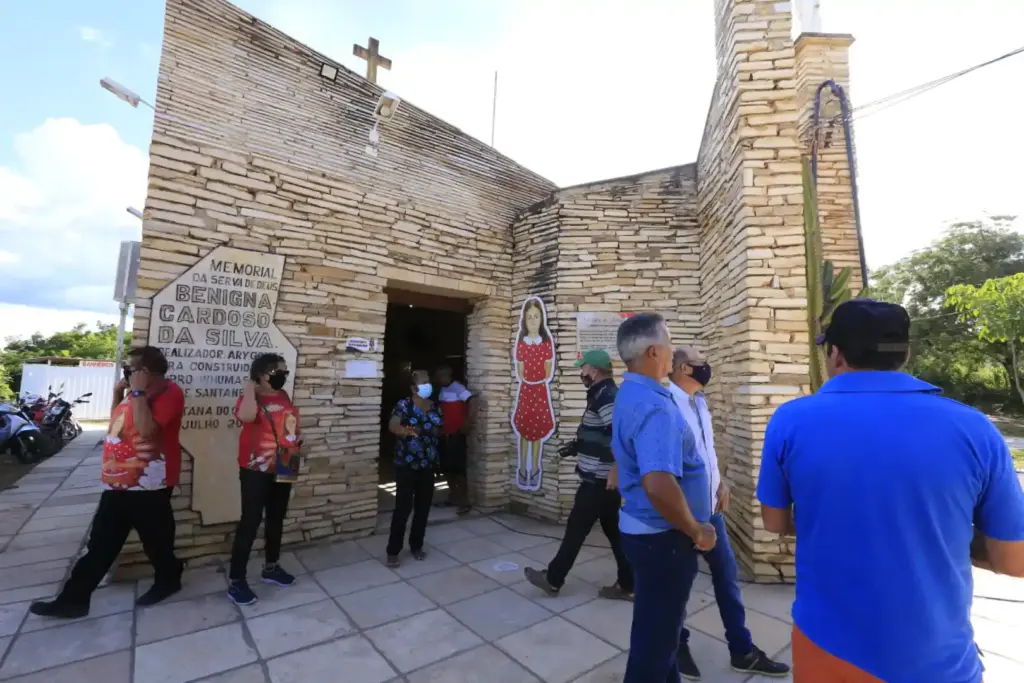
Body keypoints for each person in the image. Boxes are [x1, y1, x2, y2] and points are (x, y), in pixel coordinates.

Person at [757, 299, 1024, 683]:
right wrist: (934, 531)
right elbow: (1013, 560)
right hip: (936, 660)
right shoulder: (974, 428)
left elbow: (775, 520)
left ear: (835, 354)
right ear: (906, 352)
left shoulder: (791, 420)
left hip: (828, 650)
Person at [30, 346, 186, 618]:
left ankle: (169, 578)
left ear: (145, 372)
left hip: (149, 483)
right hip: (118, 481)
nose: (126, 372)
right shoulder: (134, 395)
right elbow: (117, 423)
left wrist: (136, 393)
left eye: (130, 368)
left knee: (156, 541)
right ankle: (74, 600)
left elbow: (148, 432)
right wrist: (119, 394)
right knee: (101, 542)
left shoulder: (170, 393)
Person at [668, 347, 789, 679]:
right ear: (682, 368)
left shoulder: (700, 404)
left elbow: (707, 454)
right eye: (700, 363)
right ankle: (677, 646)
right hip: (682, 517)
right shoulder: (666, 405)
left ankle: (742, 650)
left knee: (727, 579)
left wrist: (719, 484)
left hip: (712, 511)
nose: (707, 367)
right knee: (679, 585)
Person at [612, 313, 717, 683]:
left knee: (657, 633)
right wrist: (695, 530)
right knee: (656, 644)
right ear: (654, 350)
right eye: (670, 344)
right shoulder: (656, 407)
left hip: (647, 533)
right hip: (664, 539)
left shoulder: (632, 392)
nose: (674, 352)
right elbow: (658, 484)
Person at [523, 349, 633, 601]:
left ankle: (553, 579)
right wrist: (576, 446)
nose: (580, 372)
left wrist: (614, 468)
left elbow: (619, 434)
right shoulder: (601, 394)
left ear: (593, 370)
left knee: (576, 530)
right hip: (604, 481)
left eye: (582, 368)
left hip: (598, 480)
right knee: (615, 534)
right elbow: (603, 433)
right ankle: (630, 583)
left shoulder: (606, 396)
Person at [227, 353, 302, 606]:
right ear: (262, 374)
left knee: (277, 518)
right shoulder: (251, 398)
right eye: (278, 371)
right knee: (250, 522)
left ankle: (271, 567)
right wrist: (250, 389)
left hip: (285, 461)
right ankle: (237, 581)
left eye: (284, 371)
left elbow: (287, 423)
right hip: (255, 466)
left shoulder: (282, 395)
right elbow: (247, 417)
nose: (283, 375)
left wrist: (297, 440)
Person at [386, 369, 443, 567]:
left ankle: (416, 545)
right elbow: (393, 425)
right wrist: (407, 431)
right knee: (403, 507)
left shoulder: (434, 406)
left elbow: (438, 429)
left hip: (428, 464)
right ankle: (393, 551)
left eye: (429, 381)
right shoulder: (404, 405)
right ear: (413, 387)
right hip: (406, 464)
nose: (428, 384)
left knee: (423, 507)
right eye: (423, 382)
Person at [512, 296, 556, 489]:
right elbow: (521, 372)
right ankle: (522, 468)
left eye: (536, 316)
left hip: (540, 391)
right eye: (529, 317)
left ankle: (535, 467)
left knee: (537, 432)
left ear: (541, 319)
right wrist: (529, 380)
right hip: (526, 391)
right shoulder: (521, 344)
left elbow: (547, 372)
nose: (533, 321)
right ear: (524, 319)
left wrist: (536, 380)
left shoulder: (546, 344)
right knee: (523, 430)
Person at [435, 364, 474, 515]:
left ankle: (464, 501)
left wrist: (468, 422)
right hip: (444, 434)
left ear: (448, 375)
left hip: (456, 434)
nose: (439, 379)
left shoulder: (457, 387)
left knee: (458, 470)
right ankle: (453, 497)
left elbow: (473, 401)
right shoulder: (442, 390)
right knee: (447, 468)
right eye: (438, 376)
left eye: (441, 376)